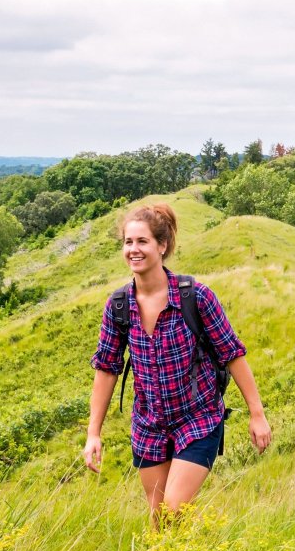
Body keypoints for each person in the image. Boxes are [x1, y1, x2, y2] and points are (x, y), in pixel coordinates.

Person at [84, 202, 271, 523]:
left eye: (142, 241)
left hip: (198, 419)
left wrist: (257, 414)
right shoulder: (118, 306)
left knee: (173, 510)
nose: (133, 250)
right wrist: (93, 433)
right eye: (128, 242)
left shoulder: (196, 297)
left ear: (162, 245)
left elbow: (232, 354)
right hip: (149, 426)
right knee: (160, 520)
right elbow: (107, 368)